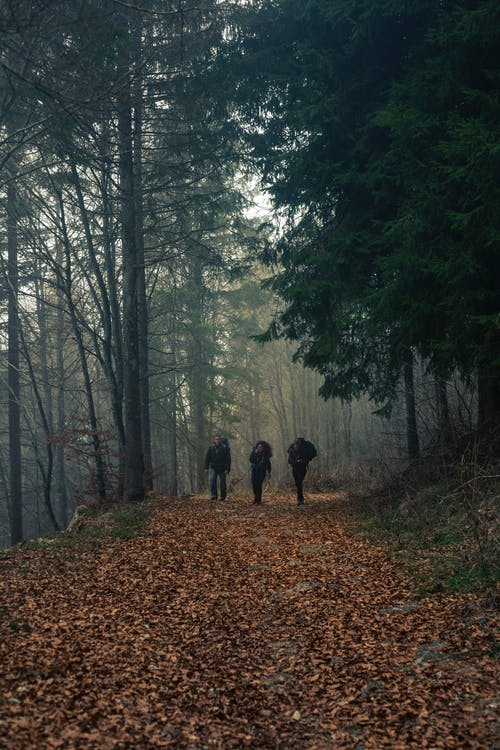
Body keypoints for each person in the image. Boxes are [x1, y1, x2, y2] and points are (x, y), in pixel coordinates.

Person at [287, 436, 317, 505]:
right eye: (295, 444)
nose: (295, 446)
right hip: (294, 469)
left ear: (299, 445)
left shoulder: (303, 451)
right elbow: (289, 460)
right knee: (297, 484)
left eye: (297, 445)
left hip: (302, 469)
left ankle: (300, 499)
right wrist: (296, 462)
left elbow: (307, 460)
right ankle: (300, 498)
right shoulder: (291, 451)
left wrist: (301, 461)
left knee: (299, 482)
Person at [204, 435, 231, 500]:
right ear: (214, 440)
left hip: (222, 468)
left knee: (222, 482)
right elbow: (207, 458)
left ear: (220, 440)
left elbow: (228, 459)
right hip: (213, 467)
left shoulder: (225, 448)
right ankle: (214, 495)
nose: (217, 440)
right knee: (212, 479)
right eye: (216, 439)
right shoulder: (211, 447)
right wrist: (206, 467)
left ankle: (222, 496)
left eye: (218, 439)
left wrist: (227, 469)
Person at [249, 441, 272, 505]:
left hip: (262, 471)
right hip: (254, 470)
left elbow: (268, 464)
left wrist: (269, 472)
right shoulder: (254, 453)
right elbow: (251, 460)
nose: (260, 448)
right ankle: (255, 499)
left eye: (261, 447)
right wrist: (255, 454)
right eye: (259, 447)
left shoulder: (265, 455)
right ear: (257, 447)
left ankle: (258, 500)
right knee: (254, 485)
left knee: (259, 484)